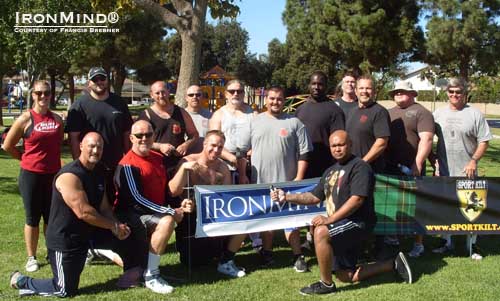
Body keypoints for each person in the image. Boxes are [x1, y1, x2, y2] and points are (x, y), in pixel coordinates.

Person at [270, 130, 412, 296]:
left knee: (321, 231)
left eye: (341, 145)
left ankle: (326, 284)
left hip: (357, 221)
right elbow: (314, 196)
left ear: (350, 145)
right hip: (340, 223)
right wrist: (286, 196)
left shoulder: (360, 167)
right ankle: (392, 264)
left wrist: (329, 220)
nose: (337, 149)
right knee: (346, 276)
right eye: (334, 146)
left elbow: (357, 200)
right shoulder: (330, 171)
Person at [9, 132, 131, 297]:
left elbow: (104, 208)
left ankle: (135, 269)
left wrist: (118, 226)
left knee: (132, 233)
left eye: (99, 147)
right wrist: (113, 226)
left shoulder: (99, 171)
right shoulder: (69, 176)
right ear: (81, 146)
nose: (96, 151)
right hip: (65, 240)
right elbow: (83, 212)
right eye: (92, 146)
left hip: (86, 235)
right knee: (65, 290)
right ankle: (22, 280)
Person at [114, 120, 194, 294]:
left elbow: (164, 189)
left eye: (148, 135)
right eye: (139, 136)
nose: (144, 139)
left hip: (152, 212)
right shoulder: (127, 164)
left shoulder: (158, 158)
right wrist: (171, 211)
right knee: (166, 221)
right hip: (132, 215)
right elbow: (137, 199)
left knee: (168, 220)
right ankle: (152, 275)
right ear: (131, 138)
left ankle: (148, 269)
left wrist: (179, 205)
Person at [248, 86, 313, 271]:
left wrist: (299, 177)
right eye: (272, 98)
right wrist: (245, 174)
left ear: (284, 101)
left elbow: (304, 153)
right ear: (266, 99)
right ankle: (267, 253)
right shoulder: (255, 122)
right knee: (268, 220)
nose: (275, 102)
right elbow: (243, 149)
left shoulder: (295, 123)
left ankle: (298, 255)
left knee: (290, 221)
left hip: (288, 182)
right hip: (261, 181)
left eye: (279, 99)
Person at [2, 80, 64, 272]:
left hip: (53, 174)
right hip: (31, 175)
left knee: (51, 217)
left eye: (46, 93)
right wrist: (24, 158)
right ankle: (31, 257)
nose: (43, 97)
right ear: (33, 95)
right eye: (38, 93)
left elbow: (59, 143)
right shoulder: (25, 118)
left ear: (51, 95)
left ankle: (51, 251)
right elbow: (7, 145)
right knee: (32, 218)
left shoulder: (57, 119)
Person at [431, 78, 492, 260]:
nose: (454, 95)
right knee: (446, 207)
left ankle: (472, 245)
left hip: (468, 171)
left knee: (471, 208)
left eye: (458, 92)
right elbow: (426, 137)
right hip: (444, 170)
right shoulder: (438, 114)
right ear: (447, 93)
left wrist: (473, 161)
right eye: (451, 92)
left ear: (464, 93)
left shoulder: (474, 114)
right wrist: (433, 160)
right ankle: (446, 243)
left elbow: (484, 141)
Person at [176, 130, 247, 277]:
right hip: (191, 218)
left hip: (215, 217)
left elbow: (227, 199)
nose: (216, 150)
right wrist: (183, 169)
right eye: (213, 145)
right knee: (194, 263)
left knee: (246, 219)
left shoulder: (223, 169)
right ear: (204, 144)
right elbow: (173, 191)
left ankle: (226, 261)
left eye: (220, 147)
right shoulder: (187, 162)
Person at [66, 67, 133, 202]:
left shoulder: (119, 103)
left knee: (117, 203)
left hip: (116, 164)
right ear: (89, 83)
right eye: (95, 79)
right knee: (92, 202)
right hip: (91, 165)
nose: (99, 82)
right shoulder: (79, 106)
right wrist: (78, 164)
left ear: (107, 81)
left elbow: (127, 133)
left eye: (102, 78)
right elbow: (73, 138)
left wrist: (129, 159)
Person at [386, 81, 434, 258]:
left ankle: (418, 243)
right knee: (392, 203)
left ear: (412, 93)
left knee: (416, 206)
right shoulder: (389, 113)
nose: (398, 94)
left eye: (402, 91)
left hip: (411, 169)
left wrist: (418, 163)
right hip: (390, 167)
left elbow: (427, 139)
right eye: (396, 91)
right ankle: (393, 238)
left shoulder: (422, 112)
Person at [137, 81, 199, 175]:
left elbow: (194, 134)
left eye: (163, 92)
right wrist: (160, 146)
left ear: (168, 92)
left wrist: (185, 145)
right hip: (154, 163)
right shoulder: (146, 115)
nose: (161, 95)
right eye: (157, 93)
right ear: (151, 95)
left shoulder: (181, 112)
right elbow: (139, 141)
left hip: (178, 164)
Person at [295, 71, 345, 179]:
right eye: (313, 83)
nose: (316, 87)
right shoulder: (300, 110)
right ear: (309, 85)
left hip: (325, 169)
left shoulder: (335, 111)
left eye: (320, 84)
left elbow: (339, 143)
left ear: (326, 86)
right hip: (301, 169)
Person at [209, 79, 255, 184]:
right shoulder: (218, 114)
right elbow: (214, 142)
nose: (235, 94)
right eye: (232, 91)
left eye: (239, 91)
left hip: (250, 164)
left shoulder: (253, 114)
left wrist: (254, 149)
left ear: (244, 94)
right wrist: (231, 158)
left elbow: (260, 137)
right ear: (226, 94)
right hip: (224, 163)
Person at [185, 85, 212, 153]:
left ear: (202, 97)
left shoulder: (211, 116)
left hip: (205, 156)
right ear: (186, 98)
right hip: (185, 157)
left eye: (198, 95)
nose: (195, 97)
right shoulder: (180, 115)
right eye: (191, 95)